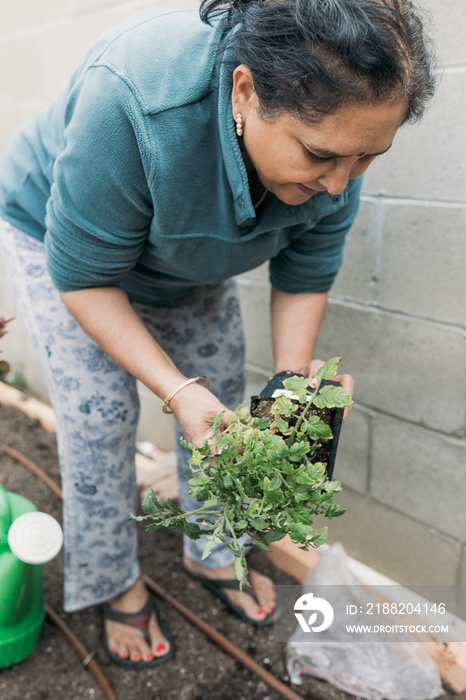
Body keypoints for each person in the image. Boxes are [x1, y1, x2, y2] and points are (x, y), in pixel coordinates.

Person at [0, 0, 435, 669]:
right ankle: (115, 580)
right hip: (62, 241)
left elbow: (306, 267)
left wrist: (294, 392)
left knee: (224, 397)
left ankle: (213, 554)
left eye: (366, 158)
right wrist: (174, 391)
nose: (339, 185)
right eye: (319, 155)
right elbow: (85, 278)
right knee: (101, 413)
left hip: (179, 255)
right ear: (244, 91)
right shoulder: (136, 100)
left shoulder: (337, 161)